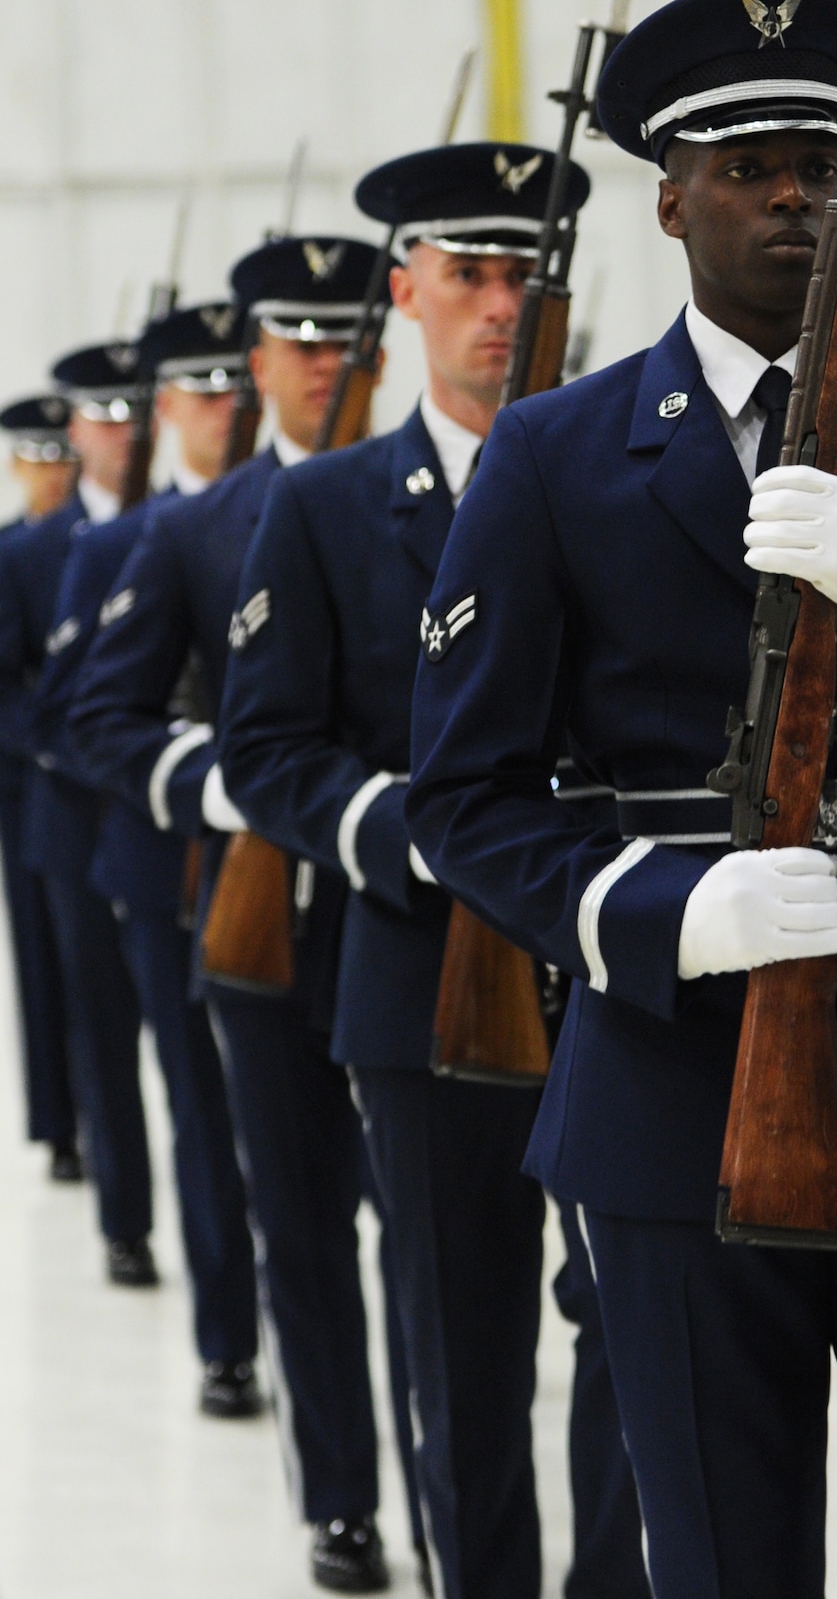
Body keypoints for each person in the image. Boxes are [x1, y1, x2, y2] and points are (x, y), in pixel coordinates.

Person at [407, 0, 837, 1599]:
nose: (792, 195)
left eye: (823, 163)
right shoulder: (555, 459)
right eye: (751, 160)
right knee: (719, 1561)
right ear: (670, 198)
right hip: (673, 1094)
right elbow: (466, 795)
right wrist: (664, 910)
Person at [218, 140, 649, 1599]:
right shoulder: (331, 509)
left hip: (610, 970)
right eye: (469, 274)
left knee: (637, 1332)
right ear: (405, 291)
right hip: (422, 982)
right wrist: (418, 828)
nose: (503, 305)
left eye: (527, 273)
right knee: (460, 1346)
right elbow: (266, 751)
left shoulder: (629, 479)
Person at [70, 240, 424, 1595]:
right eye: (300, 341)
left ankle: (443, 1469)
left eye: (346, 340)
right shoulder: (191, 529)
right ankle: (341, 1496)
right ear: (257, 358)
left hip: (409, 915)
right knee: (301, 1222)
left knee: (432, 1235)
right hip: (265, 916)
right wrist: (225, 786)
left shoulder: (460, 494)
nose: (326, 362)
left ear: (374, 352)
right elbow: (97, 713)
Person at [35, 305, 263, 1414]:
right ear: (167, 404)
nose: (222, 409)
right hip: (160, 857)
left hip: (294, 865)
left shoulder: (295, 508)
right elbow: (84, 709)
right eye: (200, 389)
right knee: (196, 1103)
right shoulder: (116, 544)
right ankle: (229, 1334)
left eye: (236, 385)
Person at [0, 339, 160, 1286]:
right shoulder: (33, 551)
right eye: (100, 414)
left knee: (191, 1053)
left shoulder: (175, 527)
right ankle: (124, 1218)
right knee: (96, 1023)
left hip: (162, 817)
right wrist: (64, 745)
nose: (118, 431)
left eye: (129, 412)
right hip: (67, 805)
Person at [0, 395, 80, 1181]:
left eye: (64, 454)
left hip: (109, 776)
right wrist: (54, 741)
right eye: (40, 458)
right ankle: (60, 1125)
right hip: (33, 783)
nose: (54, 474)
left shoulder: (113, 536)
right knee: (42, 959)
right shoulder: (10, 553)